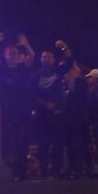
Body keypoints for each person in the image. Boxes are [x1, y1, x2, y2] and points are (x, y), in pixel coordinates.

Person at [0, 32, 35, 180]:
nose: (12, 56)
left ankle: (22, 170)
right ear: (5, 55)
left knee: (23, 141)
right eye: (10, 53)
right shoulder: (2, 68)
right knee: (10, 141)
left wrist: (26, 44)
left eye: (15, 53)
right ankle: (12, 169)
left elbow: (32, 56)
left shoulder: (23, 68)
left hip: (23, 110)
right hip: (7, 111)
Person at [28, 41, 75, 178]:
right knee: (43, 144)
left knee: (58, 143)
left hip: (58, 114)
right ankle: (43, 169)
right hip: (42, 114)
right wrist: (44, 104)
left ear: (53, 59)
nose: (46, 59)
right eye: (44, 57)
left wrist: (64, 47)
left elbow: (71, 61)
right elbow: (31, 95)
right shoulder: (35, 77)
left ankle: (56, 169)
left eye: (49, 57)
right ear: (40, 59)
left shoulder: (58, 72)